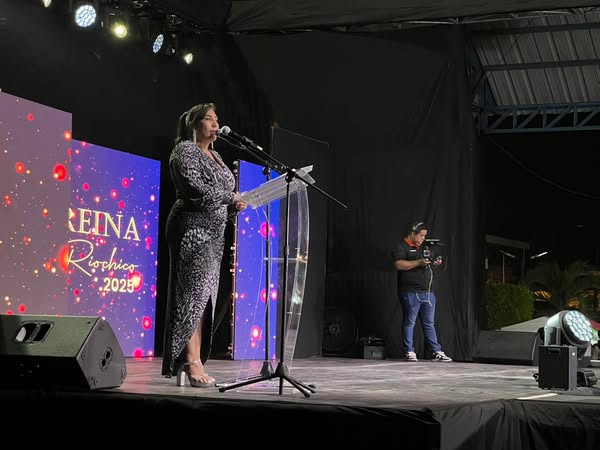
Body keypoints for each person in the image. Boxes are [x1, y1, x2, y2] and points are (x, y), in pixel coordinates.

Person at [161, 102, 247, 387]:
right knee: (191, 297)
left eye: (216, 119)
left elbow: (221, 197)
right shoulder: (185, 151)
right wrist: (229, 198)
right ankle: (190, 361)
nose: (215, 124)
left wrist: (234, 207)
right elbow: (194, 190)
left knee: (203, 298)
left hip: (214, 234)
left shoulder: (217, 156)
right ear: (193, 124)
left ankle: (194, 358)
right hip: (192, 230)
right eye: (209, 119)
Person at [392, 221, 452, 362]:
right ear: (413, 233)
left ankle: (436, 351)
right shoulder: (402, 246)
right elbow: (398, 264)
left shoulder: (424, 247)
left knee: (429, 323)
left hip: (428, 292)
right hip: (410, 291)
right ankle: (409, 350)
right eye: (421, 235)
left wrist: (434, 263)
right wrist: (418, 262)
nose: (423, 238)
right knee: (410, 322)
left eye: (424, 236)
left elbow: (428, 264)